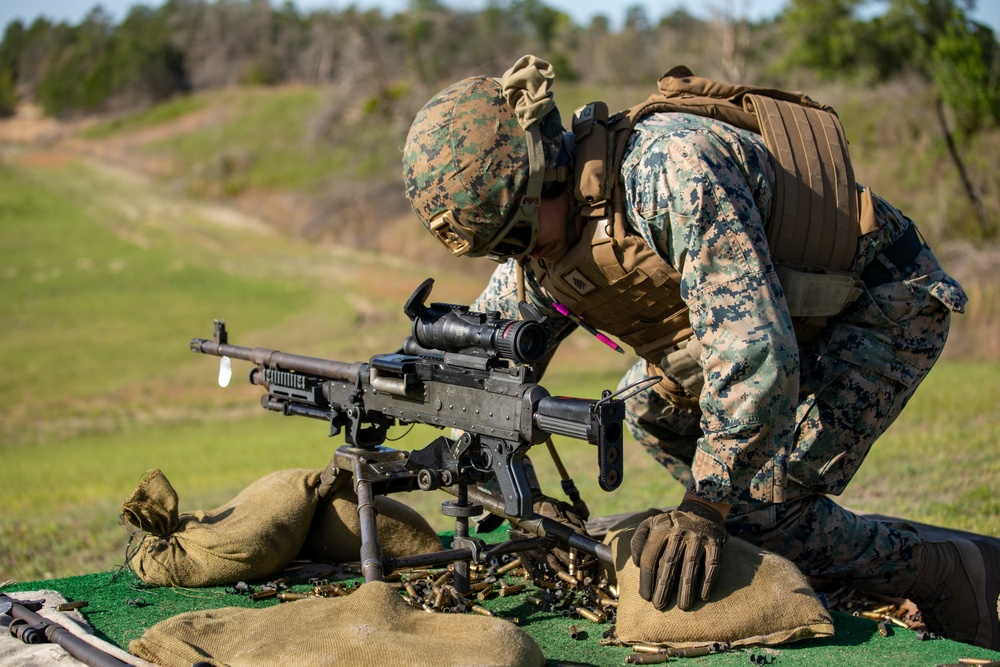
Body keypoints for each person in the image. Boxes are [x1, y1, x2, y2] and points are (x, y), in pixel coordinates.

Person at [401, 55, 998, 651]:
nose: (516, 260)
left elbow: (755, 355)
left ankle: (944, 571)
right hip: (781, 323)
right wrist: (514, 491)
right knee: (651, 410)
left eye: (513, 237)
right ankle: (790, 543)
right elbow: (485, 362)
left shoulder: (671, 173)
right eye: (496, 251)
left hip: (879, 307)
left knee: (759, 507)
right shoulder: (541, 243)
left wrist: (705, 506)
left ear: (546, 172)